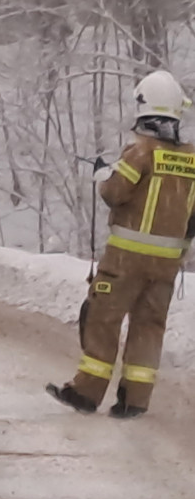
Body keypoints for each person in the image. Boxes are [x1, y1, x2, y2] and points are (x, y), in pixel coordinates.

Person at [48, 70, 195, 418]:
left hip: (126, 261)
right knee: (149, 327)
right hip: (166, 265)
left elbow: (115, 194)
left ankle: (86, 393)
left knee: (102, 318)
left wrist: (104, 175)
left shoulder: (140, 152)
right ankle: (134, 401)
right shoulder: (192, 158)